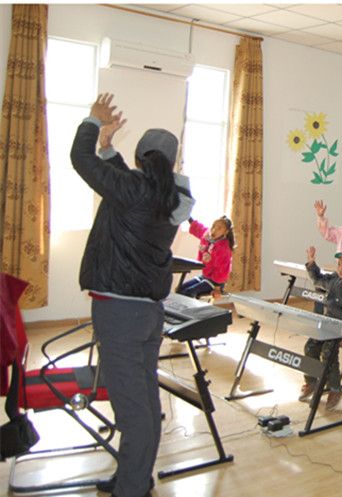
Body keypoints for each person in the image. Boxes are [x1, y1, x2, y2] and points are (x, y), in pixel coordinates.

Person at [71, 93, 194, 497]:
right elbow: (126, 184)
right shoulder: (169, 197)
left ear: (140, 157)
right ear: (170, 163)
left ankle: (132, 487)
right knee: (140, 400)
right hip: (145, 314)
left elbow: (81, 160)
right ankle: (134, 477)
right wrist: (109, 150)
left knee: (133, 408)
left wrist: (93, 123)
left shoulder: (135, 191)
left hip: (121, 315)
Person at [298, 246, 342, 411]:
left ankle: (335, 389)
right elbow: (318, 280)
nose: (341, 269)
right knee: (310, 347)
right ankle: (311, 381)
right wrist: (311, 262)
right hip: (328, 324)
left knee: (328, 352)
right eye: (339, 264)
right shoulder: (335, 279)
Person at [177, 215, 234, 298]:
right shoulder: (207, 236)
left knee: (189, 292)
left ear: (226, 232)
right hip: (205, 277)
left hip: (216, 282)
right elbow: (198, 228)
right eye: (213, 226)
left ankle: (187, 306)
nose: (214, 230)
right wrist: (188, 217)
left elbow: (222, 270)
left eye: (219, 228)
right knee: (181, 289)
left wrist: (217, 288)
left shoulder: (224, 248)